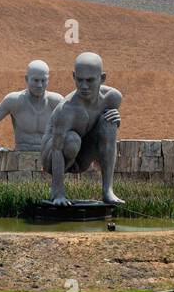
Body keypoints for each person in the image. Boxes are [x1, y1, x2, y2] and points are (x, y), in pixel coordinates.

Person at [43, 51, 124, 205]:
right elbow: (56, 149)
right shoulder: (66, 110)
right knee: (72, 140)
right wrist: (58, 192)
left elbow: (105, 134)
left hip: (82, 157)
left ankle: (108, 191)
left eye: (90, 80)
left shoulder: (112, 98)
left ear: (103, 78)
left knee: (109, 124)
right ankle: (56, 190)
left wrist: (116, 117)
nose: (84, 86)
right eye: (79, 80)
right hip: (53, 158)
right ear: (74, 77)